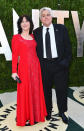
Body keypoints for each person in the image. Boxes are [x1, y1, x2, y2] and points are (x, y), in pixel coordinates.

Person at [33, 7, 72, 124]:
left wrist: (65, 63)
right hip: (44, 66)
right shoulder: (36, 32)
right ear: (40, 19)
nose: (46, 17)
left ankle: (62, 112)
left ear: (52, 16)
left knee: (61, 90)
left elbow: (68, 48)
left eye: (48, 15)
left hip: (59, 65)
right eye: (43, 15)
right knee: (46, 91)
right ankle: (48, 111)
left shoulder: (61, 29)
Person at [11, 15, 47, 126]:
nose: (25, 23)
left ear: (30, 23)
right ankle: (24, 116)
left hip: (36, 68)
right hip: (24, 68)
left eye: (27, 21)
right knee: (24, 92)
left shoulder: (33, 36)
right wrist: (14, 71)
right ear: (20, 24)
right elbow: (14, 56)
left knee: (35, 91)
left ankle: (35, 115)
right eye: (22, 22)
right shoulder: (16, 37)